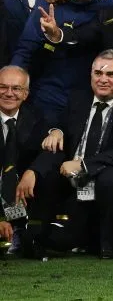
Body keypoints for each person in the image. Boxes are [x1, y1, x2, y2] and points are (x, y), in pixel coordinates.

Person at [32, 51, 113, 258]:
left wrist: (83, 164)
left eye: (110, 74)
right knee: (47, 174)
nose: (103, 79)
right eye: (98, 73)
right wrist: (57, 130)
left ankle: (109, 245)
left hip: (103, 176)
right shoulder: (78, 98)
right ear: (91, 75)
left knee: (112, 177)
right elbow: (60, 123)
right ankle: (34, 238)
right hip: (72, 181)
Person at [12, 0, 113, 124]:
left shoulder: (109, 5)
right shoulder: (49, 3)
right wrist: (12, 82)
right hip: (48, 97)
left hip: (90, 100)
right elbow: (26, 49)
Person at [0, 65, 49, 255]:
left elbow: (52, 152)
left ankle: (22, 231)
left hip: (23, 191)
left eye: (16, 88)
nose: (9, 93)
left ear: (26, 94)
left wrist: (33, 172)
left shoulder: (37, 117)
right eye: (3, 87)